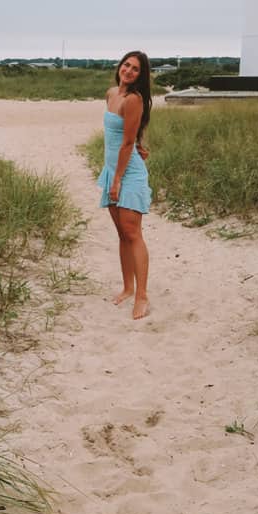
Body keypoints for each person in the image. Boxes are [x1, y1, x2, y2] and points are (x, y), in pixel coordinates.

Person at [98, 50, 152, 320]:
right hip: (111, 170)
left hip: (127, 174)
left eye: (135, 69)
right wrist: (140, 146)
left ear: (141, 76)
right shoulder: (111, 94)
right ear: (120, 66)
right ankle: (128, 287)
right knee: (121, 234)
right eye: (126, 65)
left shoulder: (133, 99)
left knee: (133, 233)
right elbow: (123, 133)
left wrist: (118, 179)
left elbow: (127, 143)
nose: (129, 71)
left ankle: (142, 295)